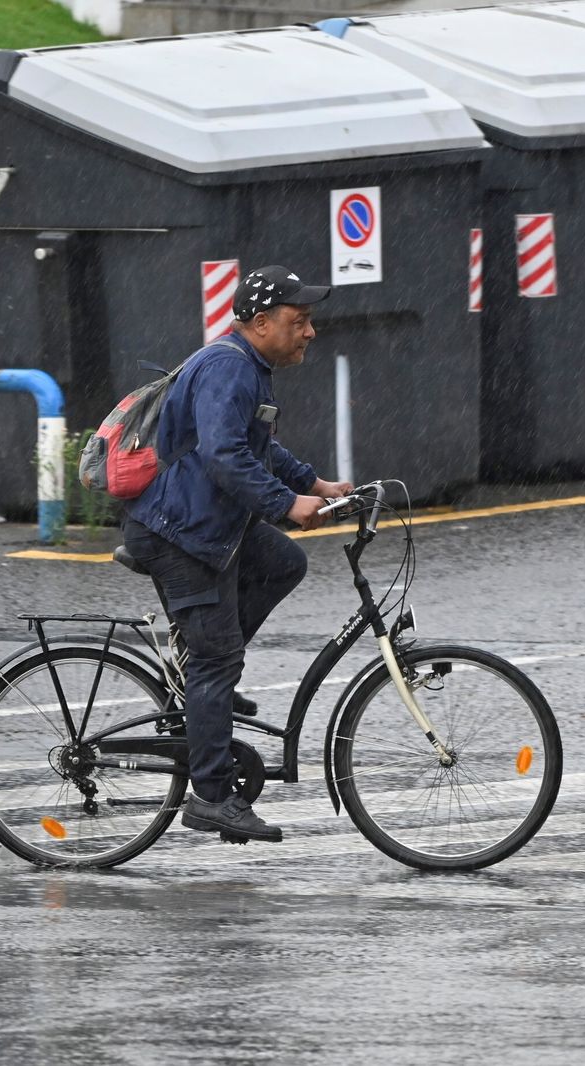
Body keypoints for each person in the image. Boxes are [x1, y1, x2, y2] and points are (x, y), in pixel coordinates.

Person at [123, 265, 352, 844]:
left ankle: (200, 674)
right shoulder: (229, 367)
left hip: (210, 524)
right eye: (298, 322)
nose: (309, 333)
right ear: (259, 324)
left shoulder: (248, 365)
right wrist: (286, 504)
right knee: (217, 661)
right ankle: (211, 797)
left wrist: (313, 483)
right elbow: (226, 457)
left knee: (284, 564)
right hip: (183, 533)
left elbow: (258, 444)